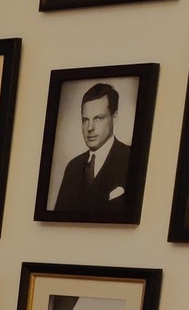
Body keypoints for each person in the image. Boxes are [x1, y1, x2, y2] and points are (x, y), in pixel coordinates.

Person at [52, 83, 134, 217]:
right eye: (85, 120)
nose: (90, 128)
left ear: (114, 118)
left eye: (98, 118)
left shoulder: (131, 158)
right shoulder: (73, 167)